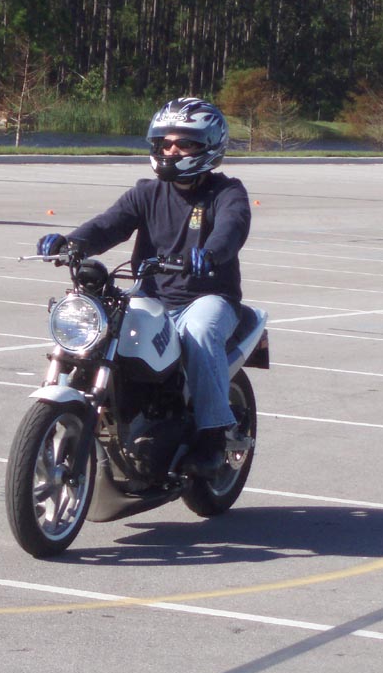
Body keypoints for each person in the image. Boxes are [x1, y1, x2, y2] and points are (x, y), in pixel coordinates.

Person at [36, 97, 251, 476]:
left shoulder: (226, 192)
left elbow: (232, 226)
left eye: (184, 143)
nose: (172, 151)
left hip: (207, 297)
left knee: (199, 334)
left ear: (209, 146)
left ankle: (214, 435)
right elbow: (109, 224)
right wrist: (71, 242)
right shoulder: (146, 192)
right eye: (165, 143)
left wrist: (211, 253)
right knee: (100, 330)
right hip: (150, 296)